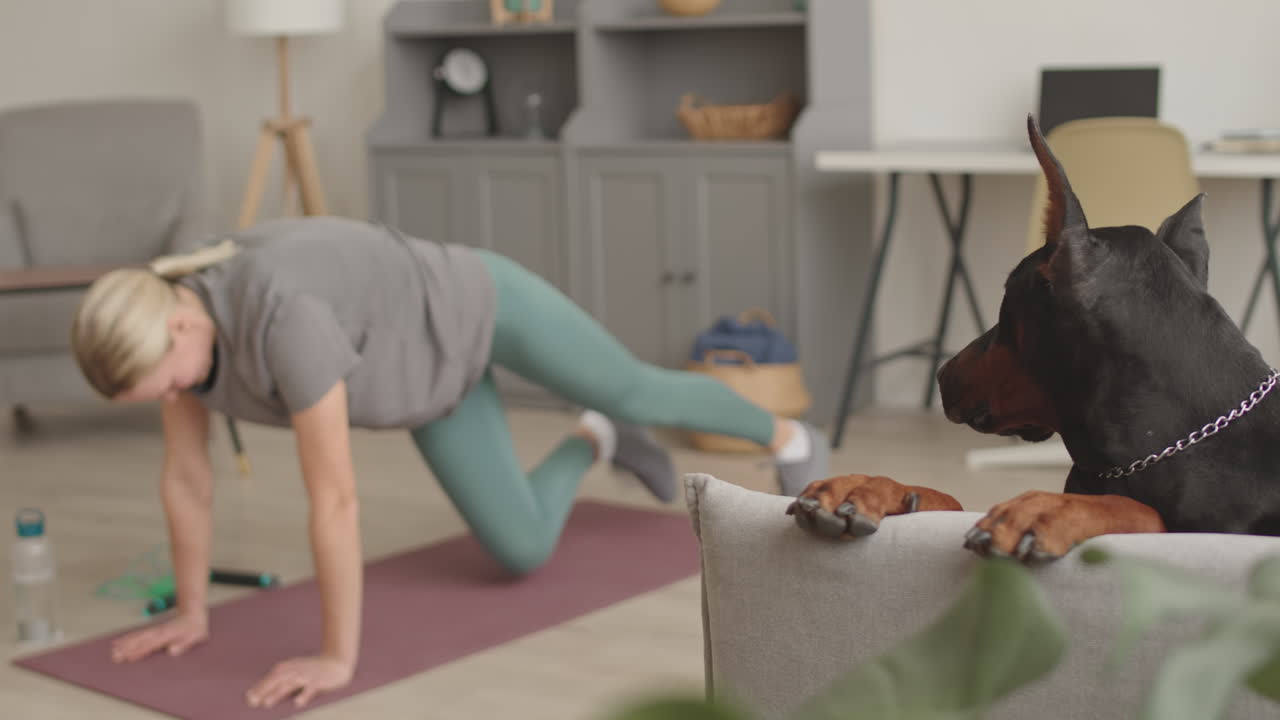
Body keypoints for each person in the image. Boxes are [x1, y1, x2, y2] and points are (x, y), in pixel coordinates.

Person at [71, 216, 829, 710]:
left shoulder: (282, 320)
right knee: (520, 549)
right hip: (428, 385)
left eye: (164, 384)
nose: (171, 397)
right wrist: (192, 611)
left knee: (631, 384)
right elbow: (187, 478)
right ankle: (601, 438)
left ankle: (791, 440)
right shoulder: (176, 327)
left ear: (179, 327)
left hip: (477, 302)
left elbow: (334, 499)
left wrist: (336, 657)